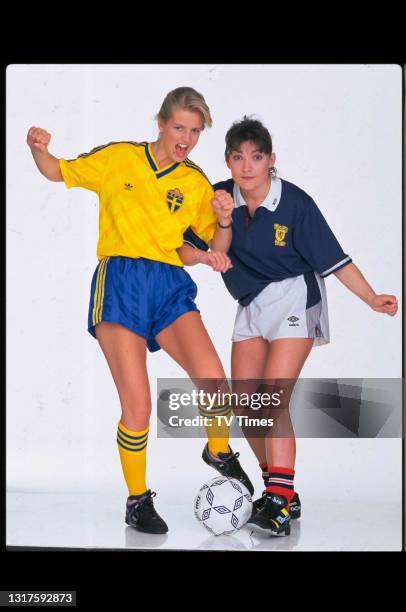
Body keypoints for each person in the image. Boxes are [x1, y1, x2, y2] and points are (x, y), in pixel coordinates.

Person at [26, 88, 254, 536]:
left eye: (194, 131)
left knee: (213, 379)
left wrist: (224, 220)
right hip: (122, 284)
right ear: (161, 123)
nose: (186, 138)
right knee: (139, 405)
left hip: (169, 285)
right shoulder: (120, 159)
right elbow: (57, 172)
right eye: (179, 128)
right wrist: (39, 149)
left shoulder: (195, 183)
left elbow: (213, 246)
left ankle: (219, 451)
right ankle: (137, 499)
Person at [179, 116, 398, 537]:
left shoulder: (295, 203)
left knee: (274, 399)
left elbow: (336, 260)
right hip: (251, 304)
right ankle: (280, 490)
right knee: (247, 409)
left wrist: (370, 298)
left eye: (256, 157)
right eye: (238, 157)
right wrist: (204, 254)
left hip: (294, 297)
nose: (247, 167)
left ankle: (278, 501)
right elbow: (188, 245)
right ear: (227, 161)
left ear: (271, 161)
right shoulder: (219, 198)